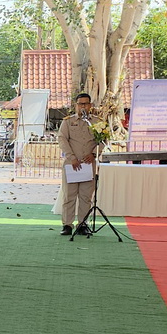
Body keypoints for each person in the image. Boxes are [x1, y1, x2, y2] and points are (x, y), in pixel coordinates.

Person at [58, 94, 100, 235]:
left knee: (85, 196)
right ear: (76, 105)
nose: (83, 106)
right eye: (80, 104)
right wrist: (71, 157)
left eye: (86, 104)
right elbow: (62, 140)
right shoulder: (68, 122)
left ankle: (82, 224)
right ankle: (67, 225)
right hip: (72, 164)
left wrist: (93, 154)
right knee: (69, 196)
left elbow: (101, 140)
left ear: (90, 105)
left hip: (88, 164)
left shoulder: (97, 122)